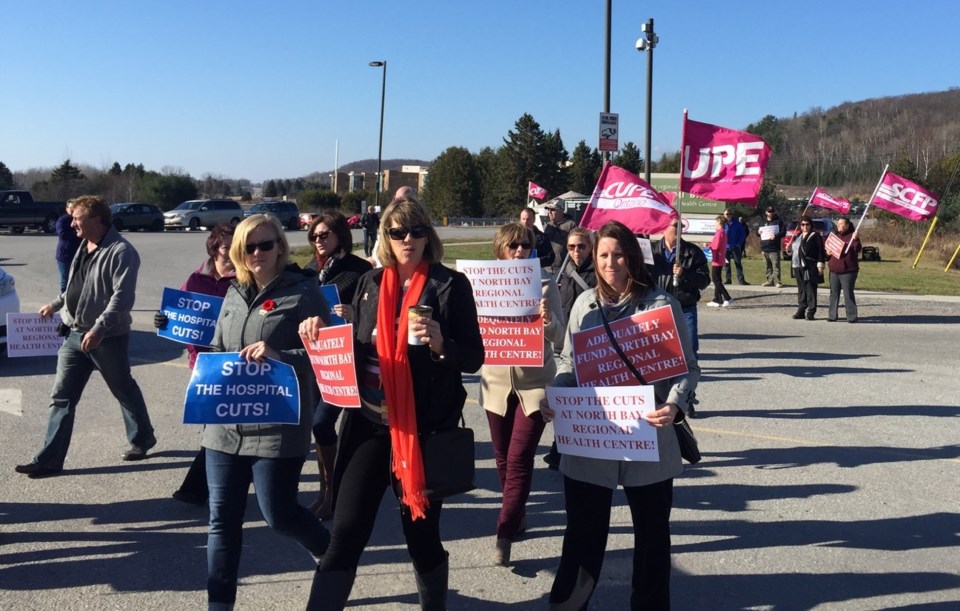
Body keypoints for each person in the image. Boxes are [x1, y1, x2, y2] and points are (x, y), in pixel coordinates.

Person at [301, 196, 484, 610]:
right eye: (398, 232)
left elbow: (474, 355)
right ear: (385, 237)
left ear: (428, 236)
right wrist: (329, 331)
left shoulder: (449, 285)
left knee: (421, 538)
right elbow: (359, 347)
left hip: (422, 431)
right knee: (346, 532)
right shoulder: (370, 283)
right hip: (368, 424)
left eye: (417, 231)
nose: (408, 239)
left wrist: (441, 345)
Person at [541, 220, 700, 610]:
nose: (611, 263)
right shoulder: (584, 305)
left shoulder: (661, 305)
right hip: (592, 439)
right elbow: (568, 361)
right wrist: (557, 395)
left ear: (632, 258)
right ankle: (568, 604)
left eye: (618, 254)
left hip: (648, 440)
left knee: (651, 540)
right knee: (582, 537)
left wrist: (675, 404)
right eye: (603, 255)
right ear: (594, 259)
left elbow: (688, 368)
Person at [202, 214, 331, 610]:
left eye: (266, 244)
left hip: (278, 425)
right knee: (222, 522)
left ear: (280, 246)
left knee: (279, 514)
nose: (258, 253)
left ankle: (332, 553)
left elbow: (328, 357)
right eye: (249, 246)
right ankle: (219, 605)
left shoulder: (305, 292)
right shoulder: (233, 293)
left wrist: (280, 355)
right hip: (225, 424)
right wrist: (203, 361)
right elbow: (217, 347)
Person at [15, 195, 157, 479]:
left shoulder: (121, 252)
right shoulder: (84, 244)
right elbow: (77, 285)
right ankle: (49, 460)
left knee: (123, 388)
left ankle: (142, 438)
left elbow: (122, 298)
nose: (71, 223)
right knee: (61, 397)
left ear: (97, 220)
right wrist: (56, 304)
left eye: (77, 218)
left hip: (107, 338)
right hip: (74, 334)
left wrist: (99, 328)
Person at [480, 223, 565, 567]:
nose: (519, 251)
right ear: (500, 248)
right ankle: (515, 511)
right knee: (501, 459)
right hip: (495, 385)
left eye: (525, 245)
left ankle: (504, 532)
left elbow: (560, 337)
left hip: (534, 386)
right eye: (513, 245)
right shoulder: (483, 285)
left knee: (518, 459)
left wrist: (546, 320)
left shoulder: (546, 284)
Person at [153, 224, 236, 506]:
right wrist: (164, 320)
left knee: (215, 428)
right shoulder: (196, 279)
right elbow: (179, 314)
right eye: (228, 247)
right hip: (200, 366)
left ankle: (200, 489)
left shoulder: (244, 279)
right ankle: (213, 486)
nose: (234, 252)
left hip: (230, 364)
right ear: (214, 250)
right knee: (214, 427)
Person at [304, 210, 372, 519]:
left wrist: (354, 315)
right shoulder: (307, 271)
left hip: (347, 360)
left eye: (324, 235)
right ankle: (326, 489)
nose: (318, 241)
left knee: (322, 422)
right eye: (314, 236)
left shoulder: (359, 271)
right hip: (317, 359)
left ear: (340, 236)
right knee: (319, 428)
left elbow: (376, 314)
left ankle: (335, 492)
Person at [544, 227, 595, 469]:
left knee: (580, 400)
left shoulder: (598, 274)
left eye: (581, 246)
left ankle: (563, 450)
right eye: (572, 247)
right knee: (564, 398)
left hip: (588, 346)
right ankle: (560, 449)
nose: (576, 251)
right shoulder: (563, 271)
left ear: (591, 247)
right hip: (563, 343)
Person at [651, 220, 711, 355]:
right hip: (658, 307)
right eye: (676, 226)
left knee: (689, 348)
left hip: (685, 307)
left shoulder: (693, 252)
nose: (680, 229)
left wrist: (685, 273)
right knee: (659, 350)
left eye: (681, 226)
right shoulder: (651, 251)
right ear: (664, 227)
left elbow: (704, 281)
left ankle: (691, 375)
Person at [790, 215, 826, 320]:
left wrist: (820, 266)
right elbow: (794, 252)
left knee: (810, 288)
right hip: (797, 265)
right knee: (801, 289)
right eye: (803, 224)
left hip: (810, 265)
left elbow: (821, 251)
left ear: (811, 225)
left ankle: (811, 311)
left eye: (807, 224)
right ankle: (801, 310)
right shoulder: (797, 236)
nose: (805, 227)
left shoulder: (815, 235)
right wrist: (788, 248)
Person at [827, 217, 862, 323]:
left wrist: (856, 239)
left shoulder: (852, 236)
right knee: (834, 294)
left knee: (848, 293)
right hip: (834, 270)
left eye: (841, 224)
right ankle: (832, 315)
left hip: (848, 271)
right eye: (838, 224)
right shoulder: (835, 236)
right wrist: (827, 253)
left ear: (847, 225)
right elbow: (828, 252)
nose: (839, 225)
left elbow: (858, 249)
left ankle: (851, 316)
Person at [54, 199, 81, 293]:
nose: (73, 210)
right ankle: (64, 300)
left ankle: (75, 300)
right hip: (65, 255)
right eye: (71, 208)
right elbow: (62, 234)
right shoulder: (62, 220)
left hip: (78, 254)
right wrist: (77, 233)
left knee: (77, 279)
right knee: (65, 280)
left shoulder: (80, 220)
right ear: (66, 209)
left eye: (75, 208)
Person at [543, 202, 576, 274]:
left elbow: (575, 246)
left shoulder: (571, 225)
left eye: (552, 209)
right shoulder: (548, 225)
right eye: (548, 210)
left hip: (564, 268)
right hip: (548, 267)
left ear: (561, 211)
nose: (549, 212)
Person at [708, 215, 733, 308]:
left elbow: (716, 246)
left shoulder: (720, 233)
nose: (715, 224)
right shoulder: (721, 232)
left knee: (716, 279)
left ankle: (728, 298)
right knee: (717, 279)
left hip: (717, 259)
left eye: (716, 222)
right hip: (719, 258)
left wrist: (709, 246)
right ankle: (717, 299)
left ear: (719, 223)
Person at [519, 206, 555, 271]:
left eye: (528, 219)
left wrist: (534, 262)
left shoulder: (543, 237)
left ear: (534, 220)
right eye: (523, 219)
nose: (525, 222)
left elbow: (550, 257)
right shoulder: (513, 237)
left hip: (537, 271)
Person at [758, 206, 785, 288]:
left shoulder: (778, 221)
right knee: (767, 266)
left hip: (774, 248)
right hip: (764, 247)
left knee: (775, 265)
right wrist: (758, 232)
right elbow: (758, 233)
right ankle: (769, 281)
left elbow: (783, 232)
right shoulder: (762, 221)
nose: (771, 213)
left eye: (772, 211)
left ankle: (777, 282)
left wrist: (776, 236)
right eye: (769, 211)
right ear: (766, 212)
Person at [722, 208, 748, 285]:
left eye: (730, 214)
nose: (729, 215)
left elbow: (742, 234)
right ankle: (728, 279)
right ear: (724, 215)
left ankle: (741, 280)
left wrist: (738, 244)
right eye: (727, 214)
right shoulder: (722, 224)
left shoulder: (737, 224)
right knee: (726, 264)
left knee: (738, 263)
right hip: (725, 247)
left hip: (735, 247)